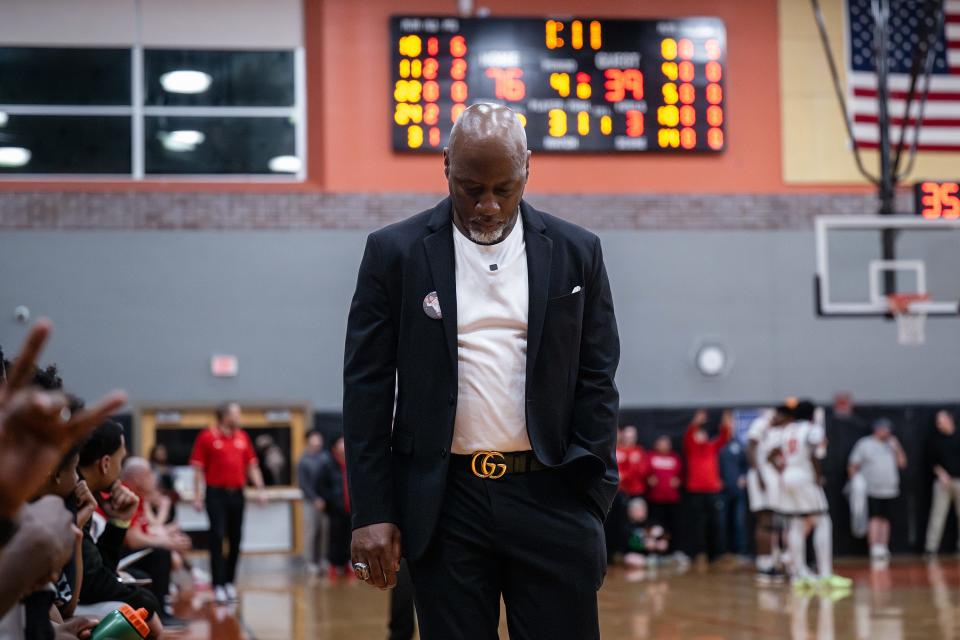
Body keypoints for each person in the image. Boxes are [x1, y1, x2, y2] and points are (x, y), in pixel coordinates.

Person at [343, 103, 620, 640]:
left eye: (504, 188)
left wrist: (592, 494)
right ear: (445, 165)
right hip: (446, 503)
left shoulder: (576, 252)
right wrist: (370, 511)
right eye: (471, 188)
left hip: (552, 494)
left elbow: (598, 376)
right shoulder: (392, 253)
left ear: (527, 170)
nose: (487, 206)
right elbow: (367, 389)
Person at [76, 420, 165, 638]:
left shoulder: (87, 496)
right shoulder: (75, 497)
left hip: (67, 601)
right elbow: (91, 583)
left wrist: (119, 522)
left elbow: (97, 570)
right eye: (120, 460)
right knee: (138, 612)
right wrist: (142, 600)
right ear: (105, 463)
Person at [189, 402, 267, 604]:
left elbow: (252, 466)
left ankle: (230, 582)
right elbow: (197, 470)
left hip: (237, 494)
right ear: (225, 416)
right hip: (216, 494)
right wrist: (197, 496)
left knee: (236, 538)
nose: (240, 417)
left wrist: (260, 489)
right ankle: (218, 585)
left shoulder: (242, 437)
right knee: (217, 537)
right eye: (236, 414)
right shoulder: (207, 437)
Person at [772, 402, 850, 591]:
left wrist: (782, 469)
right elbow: (816, 452)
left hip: (787, 476)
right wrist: (817, 475)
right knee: (822, 521)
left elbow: (772, 454)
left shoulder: (785, 430)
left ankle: (799, 574)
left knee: (796, 523)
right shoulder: (811, 429)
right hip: (804, 476)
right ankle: (825, 574)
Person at [120, 457, 191, 626]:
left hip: (127, 550)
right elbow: (133, 539)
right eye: (151, 474)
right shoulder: (127, 494)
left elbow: (146, 530)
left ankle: (163, 608)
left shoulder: (139, 496)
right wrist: (166, 543)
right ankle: (161, 613)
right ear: (138, 478)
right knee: (161, 554)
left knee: (164, 551)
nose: (155, 479)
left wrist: (168, 538)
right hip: (117, 554)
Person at [848, 417, 907, 560]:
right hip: (871, 489)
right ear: (877, 429)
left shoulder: (891, 444)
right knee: (874, 518)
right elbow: (852, 465)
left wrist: (897, 448)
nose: (887, 432)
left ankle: (883, 546)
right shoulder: (865, 444)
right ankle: (874, 547)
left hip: (890, 489)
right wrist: (856, 482)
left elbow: (903, 464)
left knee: (886, 519)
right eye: (885, 429)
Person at [683, 410, 732, 562]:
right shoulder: (691, 447)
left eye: (702, 434)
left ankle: (714, 554)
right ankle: (697, 553)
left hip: (712, 491)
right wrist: (697, 421)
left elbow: (724, 436)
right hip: (696, 491)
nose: (701, 436)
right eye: (698, 434)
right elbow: (689, 433)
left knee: (714, 523)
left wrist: (726, 420)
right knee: (697, 524)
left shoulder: (711, 447)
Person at [746, 408, 787, 582]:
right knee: (765, 520)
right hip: (761, 477)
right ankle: (763, 564)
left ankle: (774, 560)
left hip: (773, 478)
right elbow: (750, 449)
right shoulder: (760, 424)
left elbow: (774, 456)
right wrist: (759, 474)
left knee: (774, 521)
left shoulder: (781, 431)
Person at [925, 411, 960, 555]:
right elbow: (930, 462)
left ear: (950, 419)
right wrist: (941, 473)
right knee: (937, 515)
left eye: (941, 421)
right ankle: (931, 548)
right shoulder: (934, 440)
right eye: (937, 422)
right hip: (942, 483)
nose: (939, 424)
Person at [297, 430, 331, 575]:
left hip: (326, 502)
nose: (318, 441)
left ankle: (323, 559)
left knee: (324, 532)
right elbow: (303, 484)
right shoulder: (303, 461)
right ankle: (309, 561)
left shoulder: (326, 458)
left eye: (319, 438)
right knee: (311, 531)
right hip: (310, 502)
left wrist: (326, 498)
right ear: (308, 440)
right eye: (314, 438)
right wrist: (314, 498)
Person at [317, 437, 351, 577]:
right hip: (335, 509)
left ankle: (348, 564)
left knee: (349, 538)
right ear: (335, 448)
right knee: (335, 538)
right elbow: (320, 486)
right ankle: (333, 565)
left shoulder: (352, 464)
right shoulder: (328, 465)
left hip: (351, 509)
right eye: (340, 445)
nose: (343, 447)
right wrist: (330, 500)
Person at [646, 436, 683, 555]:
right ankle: (656, 551)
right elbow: (644, 471)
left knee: (672, 526)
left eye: (666, 443)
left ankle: (672, 551)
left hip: (672, 499)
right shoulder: (650, 456)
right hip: (655, 498)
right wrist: (648, 478)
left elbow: (682, 474)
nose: (663, 446)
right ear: (656, 445)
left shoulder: (675, 457)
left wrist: (679, 480)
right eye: (660, 443)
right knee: (656, 526)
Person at [719, 433, 749, 558]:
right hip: (722, 491)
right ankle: (723, 550)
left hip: (739, 491)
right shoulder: (719, 446)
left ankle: (741, 550)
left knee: (740, 521)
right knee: (722, 522)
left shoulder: (741, 446)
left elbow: (747, 464)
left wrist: (744, 476)